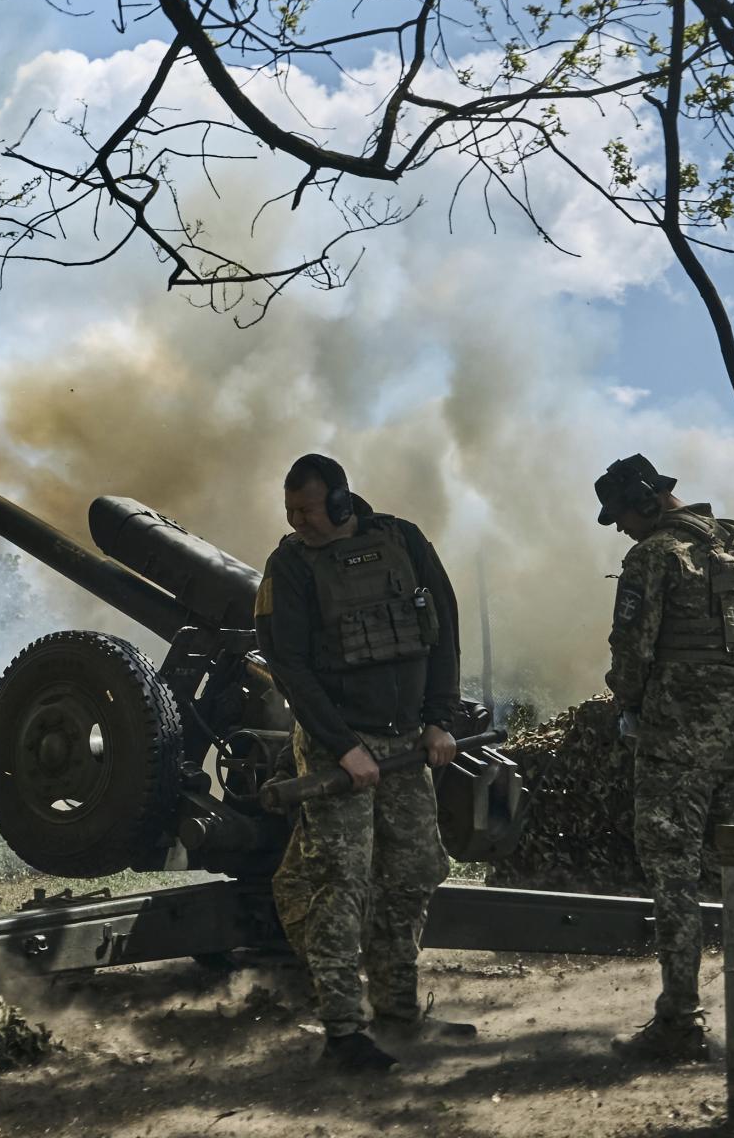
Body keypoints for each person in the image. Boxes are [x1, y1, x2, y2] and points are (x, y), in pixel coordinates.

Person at [256, 453, 469, 1073]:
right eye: (290, 510)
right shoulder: (289, 567)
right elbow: (289, 666)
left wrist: (440, 719)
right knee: (340, 883)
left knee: (413, 872)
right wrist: (343, 746)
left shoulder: (401, 541)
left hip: (409, 742)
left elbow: (443, 628)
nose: (298, 521)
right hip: (337, 748)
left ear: (344, 502)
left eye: (309, 509)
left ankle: (399, 1013)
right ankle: (343, 1032)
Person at [596, 454, 734, 1062]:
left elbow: (632, 650)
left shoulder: (651, 556)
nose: (621, 528)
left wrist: (627, 702)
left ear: (645, 501)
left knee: (673, 877)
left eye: (621, 515)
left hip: (674, 745)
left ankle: (679, 1020)